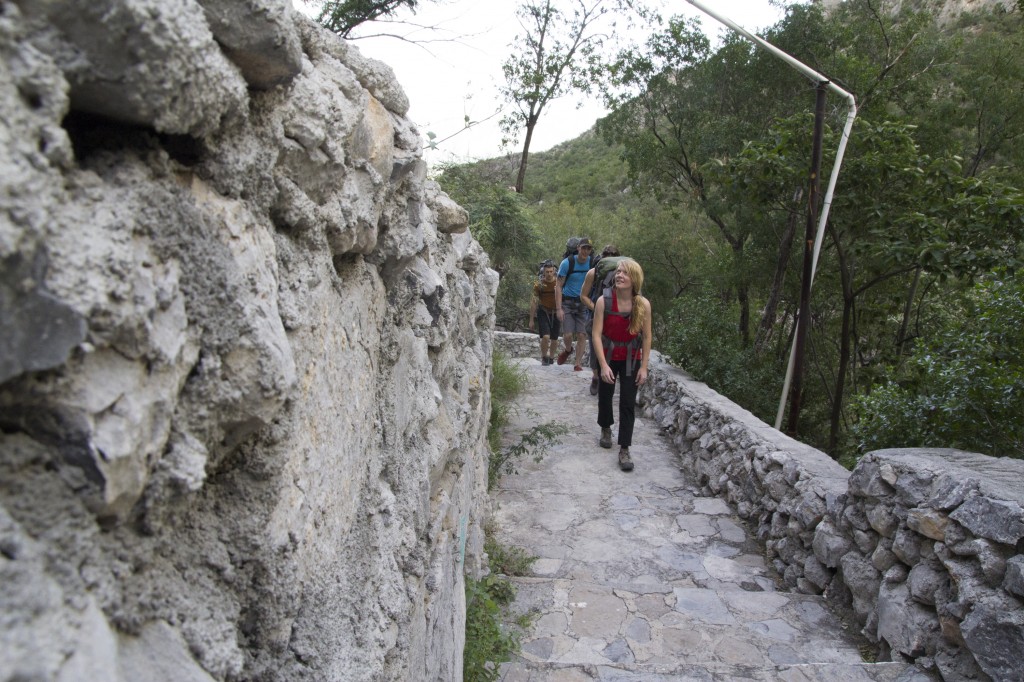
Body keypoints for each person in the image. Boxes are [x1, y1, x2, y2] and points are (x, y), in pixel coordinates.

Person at [592, 258, 652, 472]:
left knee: (627, 402)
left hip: (631, 358)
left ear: (634, 278)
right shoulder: (603, 301)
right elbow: (596, 335)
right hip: (608, 356)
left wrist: (644, 367)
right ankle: (606, 427)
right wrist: (603, 365)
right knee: (605, 395)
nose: (619, 275)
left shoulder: (642, 305)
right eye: (618, 272)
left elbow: (646, 338)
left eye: (625, 273)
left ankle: (624, 448)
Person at [581, 245, 621, 396]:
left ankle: (608, 376)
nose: (610, 256)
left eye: (613, 254)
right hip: (595, 315)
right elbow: (583, 296)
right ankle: (596, 377)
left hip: (616, 317)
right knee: (594, 348)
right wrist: (597, 308)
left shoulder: (624, 274)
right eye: (607, 254)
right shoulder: (594, 273)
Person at [555, 237, 594, 371]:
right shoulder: (567, 263)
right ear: (578, 248)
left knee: (582, 335)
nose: (585, 251)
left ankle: (577, 363)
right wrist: (559, 308)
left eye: (588, 248)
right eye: (583, 248)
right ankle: (568, 349)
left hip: (583, 304)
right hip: (567, 303)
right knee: (568, 335)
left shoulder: (592, 263)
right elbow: (558, 286)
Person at [529, 261, 560, 365]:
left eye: (551, 271)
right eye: (547, 272)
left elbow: (563, 297)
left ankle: (551, 358)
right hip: (543, 311)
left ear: (554, 271)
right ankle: (544, 357)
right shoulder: (539, 285)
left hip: (556, 312)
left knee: (554, 339)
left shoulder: (559, 284)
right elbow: (534, 301)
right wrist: (531, 320)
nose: (549, 274)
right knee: (546, 336)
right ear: (544, 272)